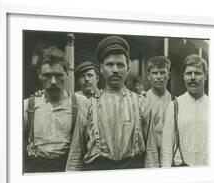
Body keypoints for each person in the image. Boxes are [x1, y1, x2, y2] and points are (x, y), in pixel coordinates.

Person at [66, 36, 154, 171]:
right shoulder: (88, 105)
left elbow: (151, 153)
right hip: (97, 175)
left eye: (120, 65)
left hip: (132, 174)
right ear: (101, 68)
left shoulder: (142, 103)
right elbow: (76, 155)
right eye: (109, 64)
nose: (115, 70)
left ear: (128, 69)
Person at [23, 46, 88, 173]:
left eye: (58, 75)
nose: (53, 81)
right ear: (39, 75)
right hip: (36, 171)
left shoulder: (82, 103)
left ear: (67, 74)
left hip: (68, 169)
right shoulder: (27, 106)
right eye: (47, 75)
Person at [160, 54, 209, 167]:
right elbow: (167, 150)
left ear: (206, 75)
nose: (192, 77)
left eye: (197, 73)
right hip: (181, 168)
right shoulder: (174, 105)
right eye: (188, 73)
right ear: (183, 76)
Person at [144, 56, 173, 167]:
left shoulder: (174, 101)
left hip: (168, 154)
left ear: (168, 75)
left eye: (162, 73)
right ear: (149, 76)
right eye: (155, 73)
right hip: (147, 154)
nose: (159, 77)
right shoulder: (142, 100)